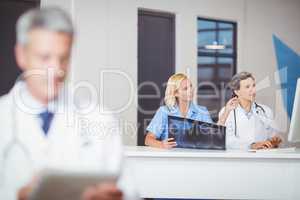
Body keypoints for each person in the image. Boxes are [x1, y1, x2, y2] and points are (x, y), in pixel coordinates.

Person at [0, 7, 138, 200]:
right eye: (45, 57)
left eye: (63, 58)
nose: (56, 69)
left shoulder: (100, 118)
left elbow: (129, 191)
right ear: (21, 55)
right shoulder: (3, 115)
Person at [145, 73, 212, 149]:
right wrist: (161, 144)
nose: (191, 90)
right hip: (171, 157)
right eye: (185, 89)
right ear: (176, 93)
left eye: (191, 86)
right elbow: (148, 140)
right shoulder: (164, 111)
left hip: (195, 157)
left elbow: (212, 138)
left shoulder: (202, 111)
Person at [218, 71, 282, 150]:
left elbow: (272, 137)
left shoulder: (266, 111)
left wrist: (274, 141)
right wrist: (252, 145)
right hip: (238, 159)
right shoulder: (227, 111)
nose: (253, 90)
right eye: (247, 87)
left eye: (254, 86)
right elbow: (227, 141)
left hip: (262, 158)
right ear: (237, 91)